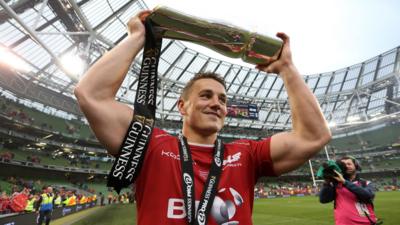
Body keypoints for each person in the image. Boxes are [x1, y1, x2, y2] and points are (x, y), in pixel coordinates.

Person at [74, 10, 331, 225]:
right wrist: (137, 38)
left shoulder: (246, 154)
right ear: (182, 107)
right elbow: (91, 95)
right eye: (206, 96)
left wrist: (287, 68)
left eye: (222, 99)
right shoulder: (151, 145)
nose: (216, 104)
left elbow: (314, 136)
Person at [319, 156, 377, 225]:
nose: (346, 166)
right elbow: (323, 200)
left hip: (366, 223)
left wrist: (345, 182)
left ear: (356, 166)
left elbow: (368, 196)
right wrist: (327, 182)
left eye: (349, 164)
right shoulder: (335, 184)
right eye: (344, 165)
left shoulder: (365, 183)